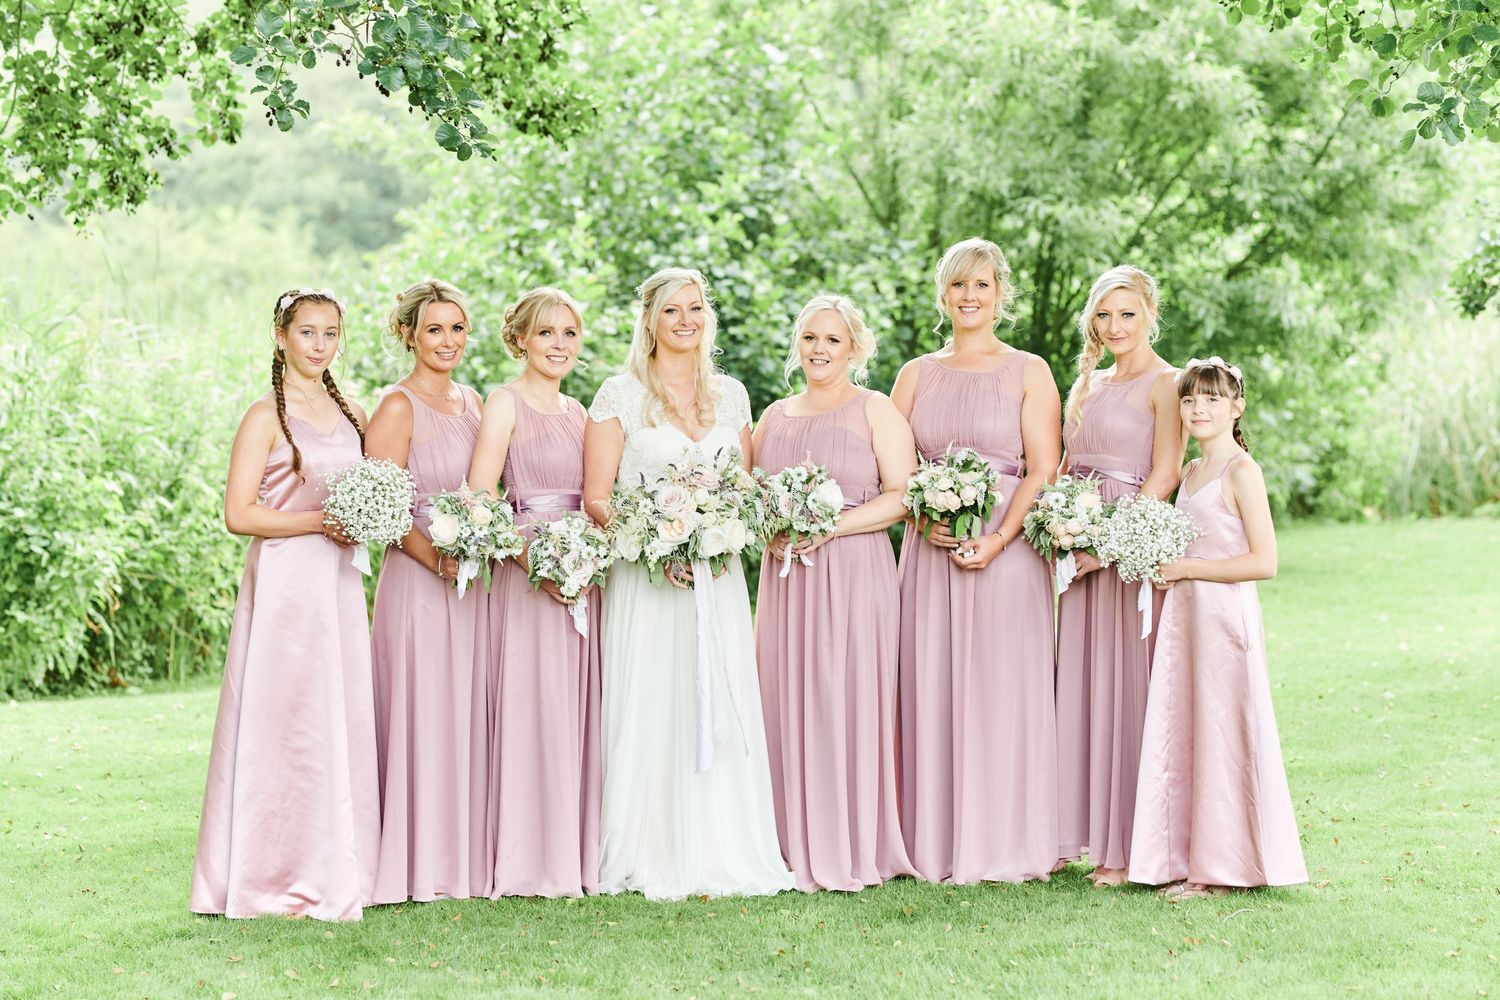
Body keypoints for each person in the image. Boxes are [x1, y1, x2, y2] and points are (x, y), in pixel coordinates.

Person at [582, 267, 794, 900]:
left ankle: (723, 843)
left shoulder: (731, 396)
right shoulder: (619, 395)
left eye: (695, 308)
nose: (684, 320)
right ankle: (649, 847)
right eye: (671, 310)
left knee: (721, 695)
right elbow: (597, 497)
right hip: (649, 579)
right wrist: (657, 542)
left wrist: (717, 531)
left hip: (717, 578)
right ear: (649, 319)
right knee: (655, 696)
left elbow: (742, 491)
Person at [190, 287, 379, 921]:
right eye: (308, 333)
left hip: (340, 583)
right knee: (287, 721)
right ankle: (272, 874)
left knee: (338, 711)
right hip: (285, 587)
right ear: (281, 337)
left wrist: (360, 522)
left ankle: (339, 863)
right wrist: (318, 525)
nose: (320, 345)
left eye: (330, 334)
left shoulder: (354, 411)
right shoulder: (263, 416)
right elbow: (238, 514)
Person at [891, 237, 1061, 884]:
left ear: (1000, 295)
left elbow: (1043, 466)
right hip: (930, 553)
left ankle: (1007, 842)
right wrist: (925, 513)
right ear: (943, 293)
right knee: (931, 683)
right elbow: (894, 466)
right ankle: (932, 841)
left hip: (1007, 553)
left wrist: (999, 537)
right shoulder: (913, 374)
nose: (969, 296)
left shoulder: (1030, 370)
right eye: (958, 284)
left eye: (981, 285)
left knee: (1002, 690)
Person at [753, 294, 917, 892]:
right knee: (784, 694)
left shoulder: (875, 410)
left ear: (855, 348)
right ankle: (782, 840)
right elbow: (748, 496)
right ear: (797, 345)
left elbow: (901, 496)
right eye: (810, 338)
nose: (819, 350)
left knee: (846, 695)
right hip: (787, 579)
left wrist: (829, 527)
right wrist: (774, 527)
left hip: (852, 571)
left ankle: (850, 839)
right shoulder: (772, 416)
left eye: (833, 340)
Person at [1130, 357, 1308, 899]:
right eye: (1189, 399)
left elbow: (1264, 561)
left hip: (1223, 623)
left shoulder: (1240, 473)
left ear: (1237, 406)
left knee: (1221, 736)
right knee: (1189, 732)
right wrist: (1162, 566)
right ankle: (1185, 858)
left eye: (1211, 398)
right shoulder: (1189, 472)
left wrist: (1189, 569)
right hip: (1185, 619)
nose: (1198, 408)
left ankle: (1223, 870)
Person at [466, 287, 601, 897]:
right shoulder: (504, 402)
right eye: (546, 333)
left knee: (573, 706)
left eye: (569, 333)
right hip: (530, 573)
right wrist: (531, 556)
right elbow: (479, 494)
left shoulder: (580, 413)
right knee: (529, 703)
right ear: (520, 338)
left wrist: (588, 554)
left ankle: (571, 851)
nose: (558, 345)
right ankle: (523, 855)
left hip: (583, 573)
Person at [1054, 265, 1183, 886]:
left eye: (1127, 314)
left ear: (1150, 314)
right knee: (1080, 686)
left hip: (1128, 553)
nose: (1115, 327)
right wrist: (1061, 529)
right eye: (1104, 316)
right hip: (1077, 550)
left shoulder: (1168, 382)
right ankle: (1076, 832)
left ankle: (1130, 846)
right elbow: (1062, 467)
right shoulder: (1087, 385)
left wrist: (1109, 543)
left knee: (1128, 689)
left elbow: (1164, 475)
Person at [366, 279, 489, 903]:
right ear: (409, 334)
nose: (447, 341)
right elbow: (385, 510)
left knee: (464, 711)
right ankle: (413, 863)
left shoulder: (475, 403)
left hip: (473, 584)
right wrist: (436, 559)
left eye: (458, 329)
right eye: (435, 329)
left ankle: (462, 859)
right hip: (417, 582)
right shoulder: (396, 407)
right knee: (422, 711)